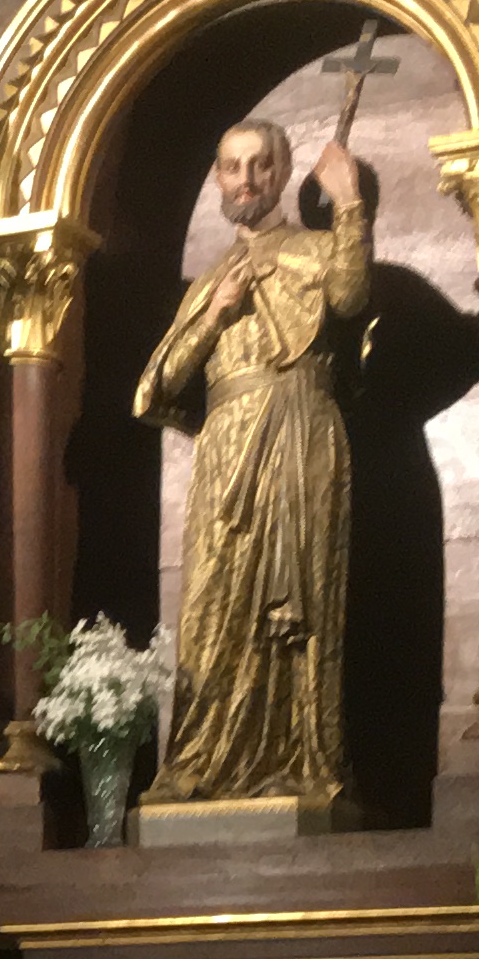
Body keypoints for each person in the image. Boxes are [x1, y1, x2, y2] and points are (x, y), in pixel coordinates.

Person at [136, 115, 370, 807]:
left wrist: (351, 200)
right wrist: (214, 314)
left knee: (303, 611)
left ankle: (305, 762)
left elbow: (352, 296)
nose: (246, 179)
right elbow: (163, 381)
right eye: (233, 166)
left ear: (281, 172)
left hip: (301, 436)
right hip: (227, 455)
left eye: (260, 165)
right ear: (218, 178)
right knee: (212, 605)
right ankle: (200, 763)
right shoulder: (210, 279)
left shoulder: (317, 248)